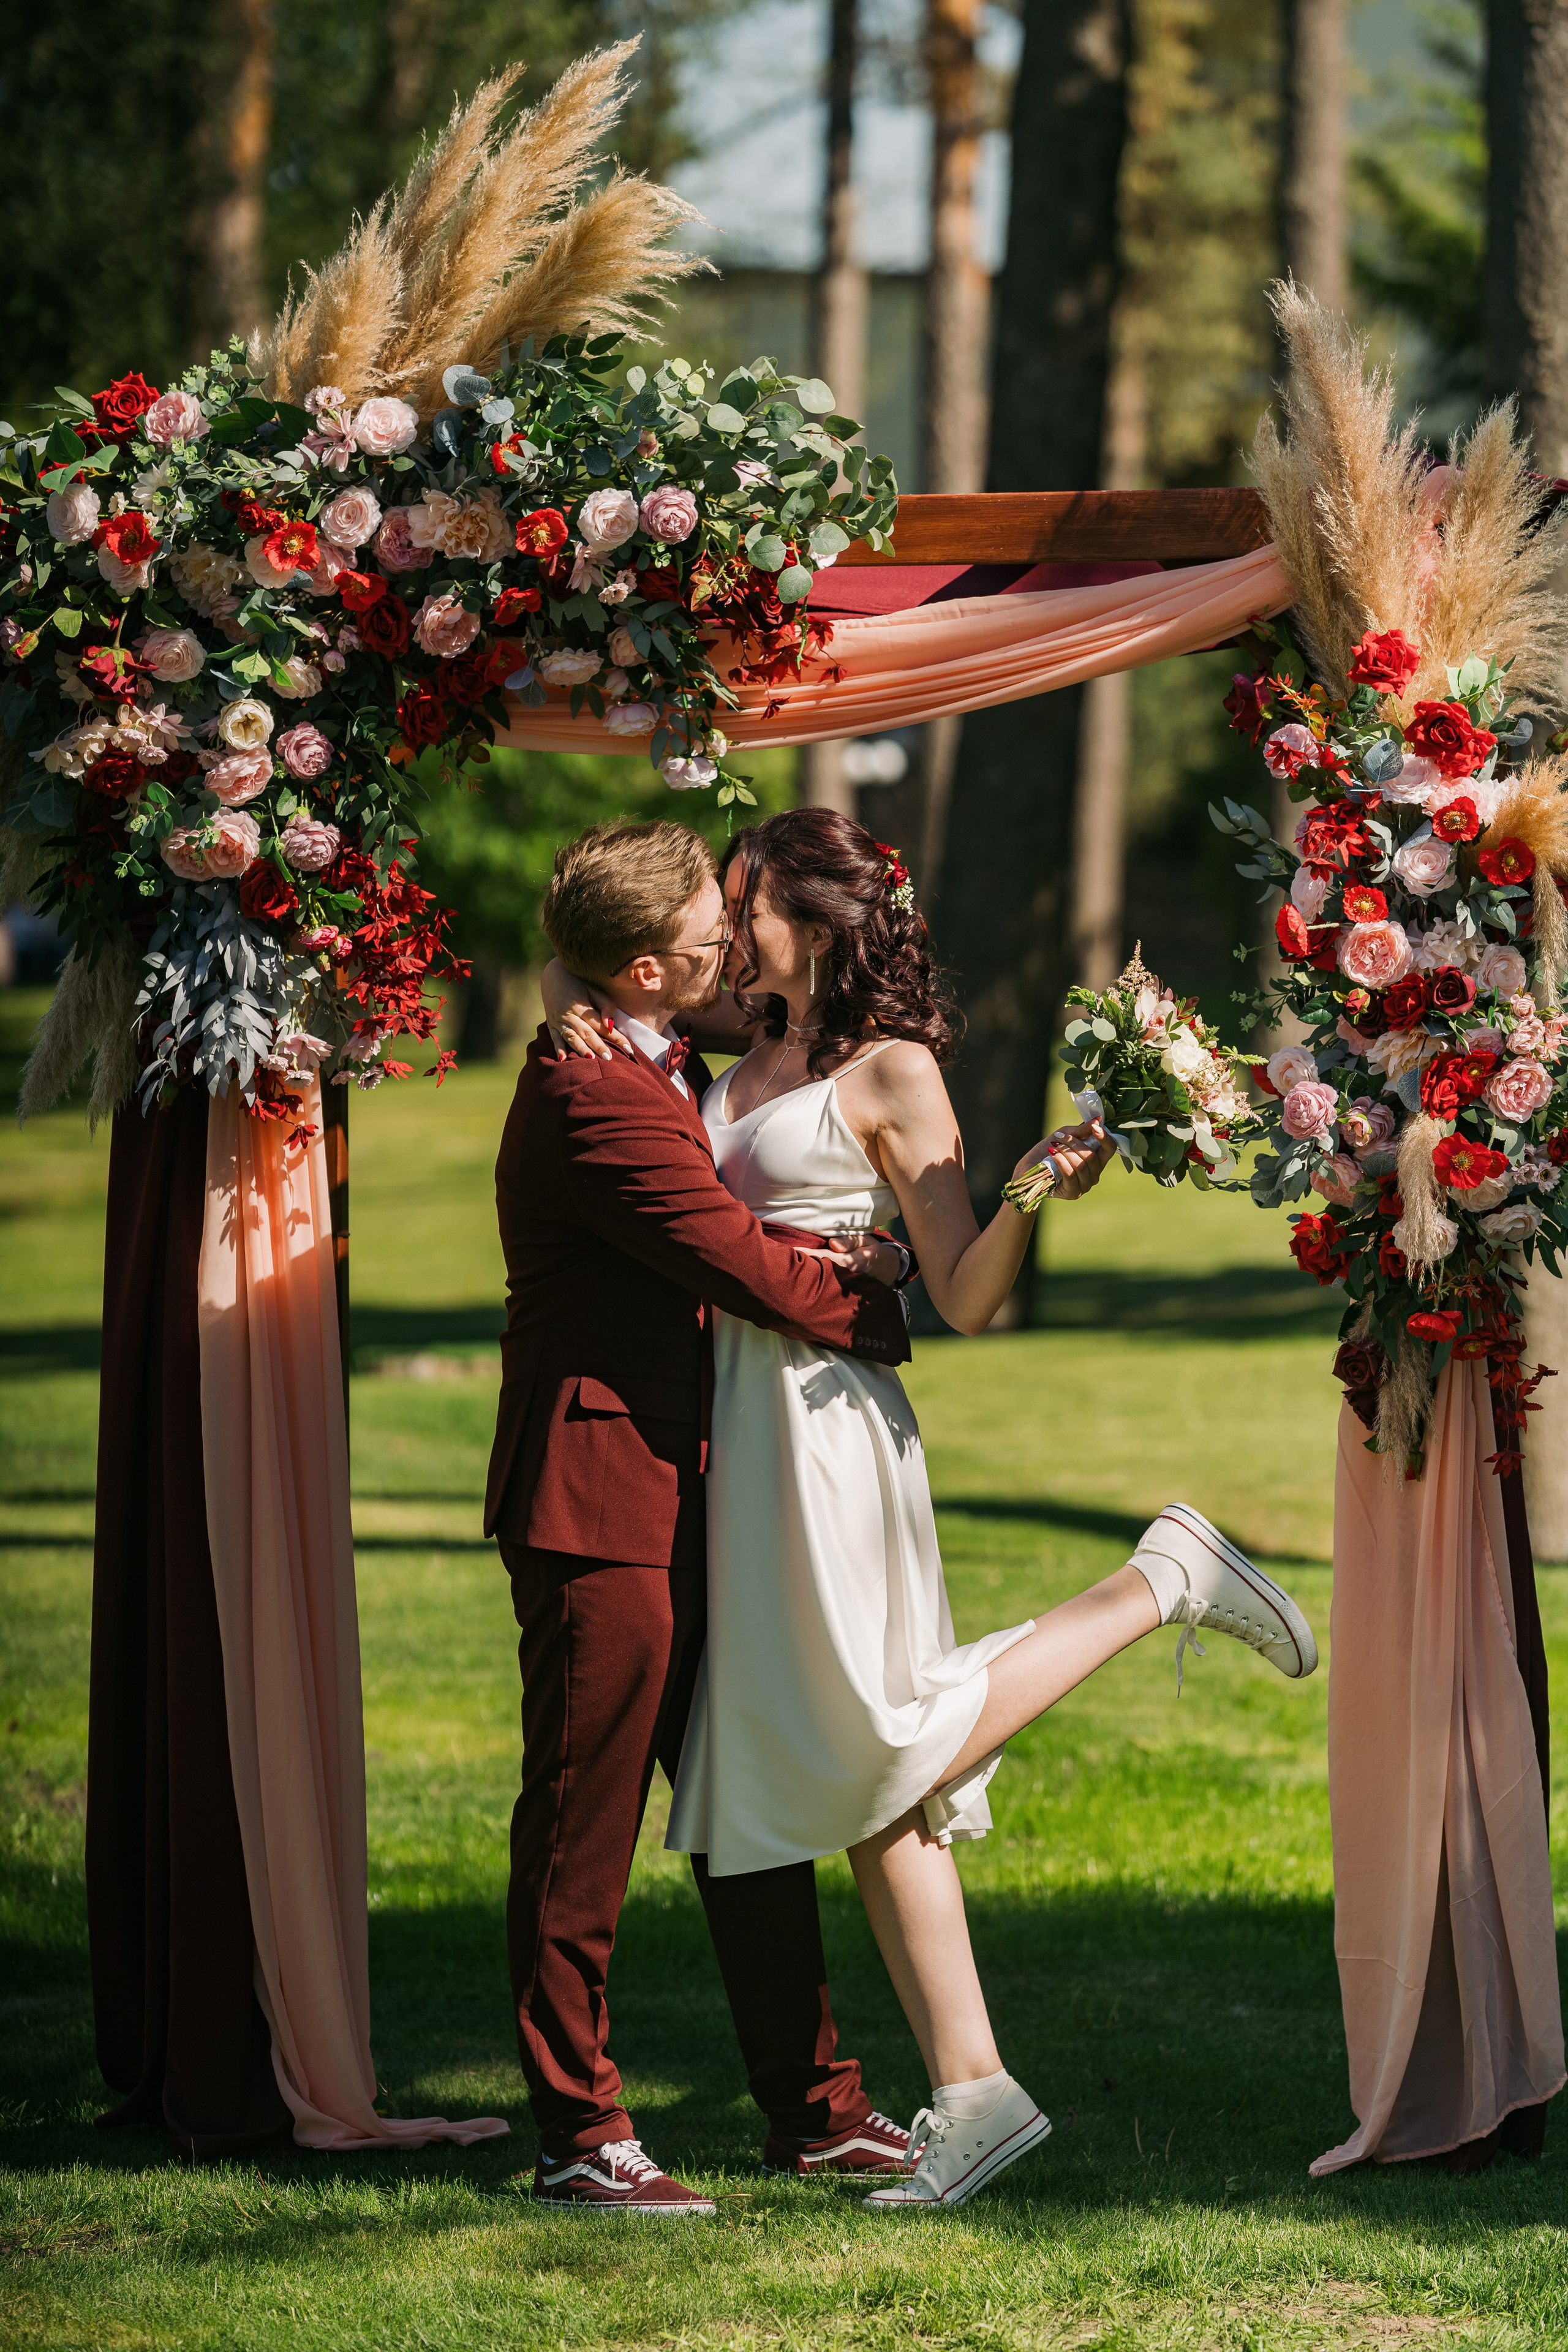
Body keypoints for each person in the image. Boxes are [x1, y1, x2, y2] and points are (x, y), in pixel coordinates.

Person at [544, 805, 1317, 2212]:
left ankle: (1157, 1581)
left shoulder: (893, 1071)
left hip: (825, 1437)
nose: (723, 923)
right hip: (735, 1434)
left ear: (817, 920)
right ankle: (976, 2094)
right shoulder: (741, 1036)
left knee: (882, 1734)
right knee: (851, 1774)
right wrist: (567, 1005)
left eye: (744, 899)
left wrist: (1036, 1182)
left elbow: (960, 1293)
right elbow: (617, 974)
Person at [486, 818, 936, 2214]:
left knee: (741, 1804)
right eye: (703, 917)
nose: (724, 933)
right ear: (639, 963)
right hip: (598, 1492)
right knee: (583, 1818)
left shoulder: (643, 1056)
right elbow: (736, 1260)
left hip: (688, 1481)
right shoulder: (603, 1093)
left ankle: (815, 2113)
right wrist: (882, 1298)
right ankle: (579, 2132)